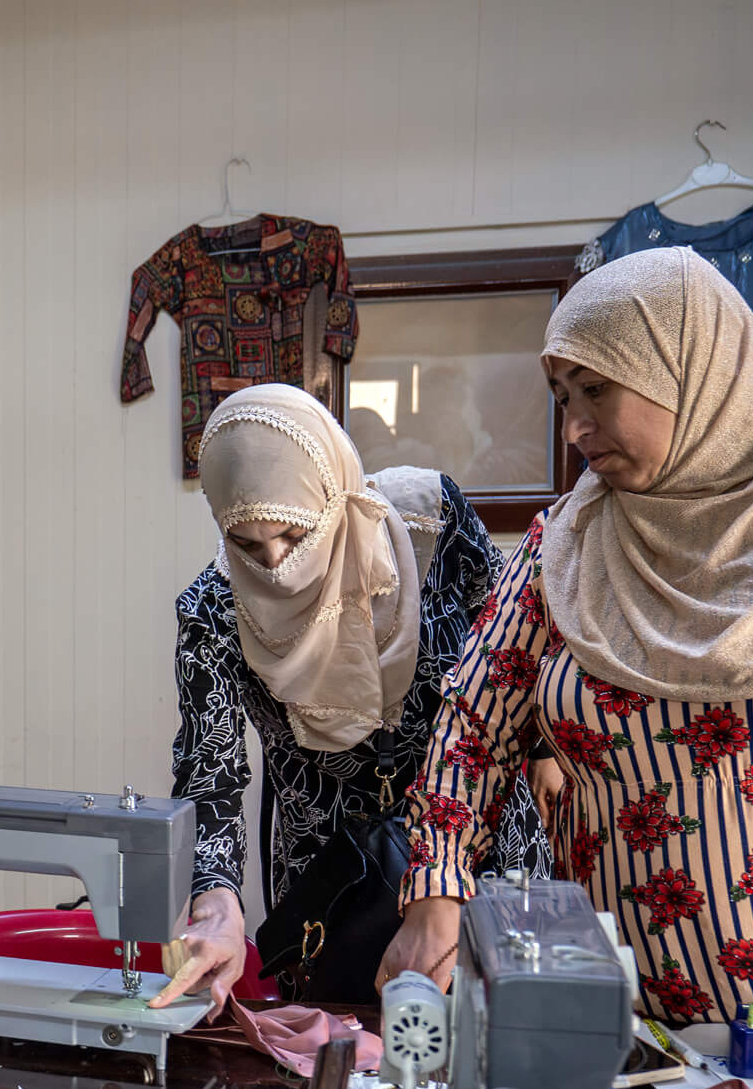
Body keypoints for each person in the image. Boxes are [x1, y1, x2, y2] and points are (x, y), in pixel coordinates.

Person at [388, 248, 753, 1023]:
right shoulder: (564, 543)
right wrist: (435, 883)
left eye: (597, 389)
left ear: (689, 368)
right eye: (563, 396)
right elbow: (474, 725)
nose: (573, 428)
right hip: (612, 1023)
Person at [157, 384, 545, 1013]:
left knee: (510, 1049)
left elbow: (515, 649)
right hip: (332, 883)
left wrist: (548, 751)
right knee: (348, 1072)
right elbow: (212, 774)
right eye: (247, 547)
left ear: (334, 495)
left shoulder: (434, 523)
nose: (278, 566)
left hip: (481, 839)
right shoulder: (213, 612)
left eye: (293, 534)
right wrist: (216, 904)